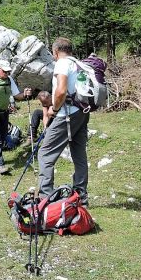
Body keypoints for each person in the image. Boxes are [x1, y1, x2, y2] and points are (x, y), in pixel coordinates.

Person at [38, 37, 89, 205]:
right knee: (79, 154)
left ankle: (45, 196)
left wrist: (54, 109)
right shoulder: (78, 63)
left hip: (66, 115)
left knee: (45, 153)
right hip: (82, 112)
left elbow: (60, 91)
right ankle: (81, 195)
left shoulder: (62, 63)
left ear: (55, 52)